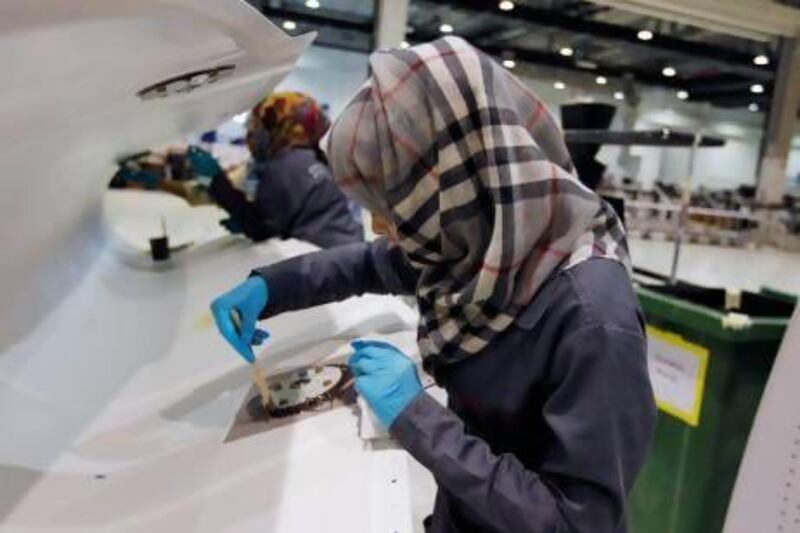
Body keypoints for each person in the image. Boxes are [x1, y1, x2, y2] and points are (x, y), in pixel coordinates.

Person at [209, 37, 655, 532]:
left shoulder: (592, 321)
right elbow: (367, 264)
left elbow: (577, 522)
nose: (379, 227)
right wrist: (271, 288)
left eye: (391, 206)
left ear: (450, 183)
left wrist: (417, 416)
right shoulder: (482, 241)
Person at [187, 92, 363, 249]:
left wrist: (215, 178)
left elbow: (261, 227)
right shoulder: (317, 158)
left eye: (257, 128)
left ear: (278, 127)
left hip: (323, 263)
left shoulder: (287, 164)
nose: (251, 136)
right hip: (346, 255)